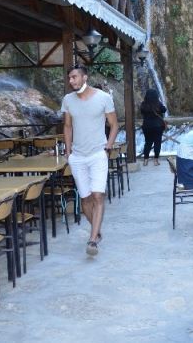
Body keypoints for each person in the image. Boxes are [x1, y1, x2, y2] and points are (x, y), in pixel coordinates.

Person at [61, 64, 119, 256]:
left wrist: (108, 146)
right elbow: (67, 126)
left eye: (74, 77)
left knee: (98, 196)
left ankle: (92, 240)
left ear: (84, 77)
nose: (71, 81)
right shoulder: (68, 100)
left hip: (97, 154)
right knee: (85, 199)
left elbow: (114, 125)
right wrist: (68, 152)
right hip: (77, 156)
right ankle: (96, 230)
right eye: (70, 78)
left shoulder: (103, 98)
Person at [140, 88, 167, 166]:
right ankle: (156, 160)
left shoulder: (143, 104)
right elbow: (164, 110)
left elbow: (141, 112)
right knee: (157, 143)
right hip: (158, 126)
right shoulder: (158, 103)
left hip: (147, 126)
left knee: (148, 143)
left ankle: (145, 160)